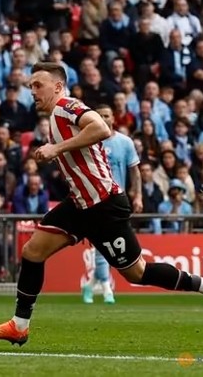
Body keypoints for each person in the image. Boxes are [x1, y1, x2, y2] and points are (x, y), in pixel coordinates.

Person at [0, 62, 203, 346]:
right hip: (79, 204)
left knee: (137, 273)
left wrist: (57, 148)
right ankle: (19, 325)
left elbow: (100, 127)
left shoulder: (67, 106)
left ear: (58, 86)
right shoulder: (55, 116)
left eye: (38, 85)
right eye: (31, 86)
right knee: (32, 251)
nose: (33, 91)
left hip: (103, 205)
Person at [78, 104, 143, 305]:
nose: (104, 119)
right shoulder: (88, 142)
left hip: (117, 201)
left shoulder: (124, 142)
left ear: (113, 118)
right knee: (101, 246)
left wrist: (138, 195)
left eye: (107, 115)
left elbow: (135, 171)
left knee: (113, 247)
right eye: (99, 116)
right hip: (96, 201)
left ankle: (90, 285)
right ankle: (107, 289)